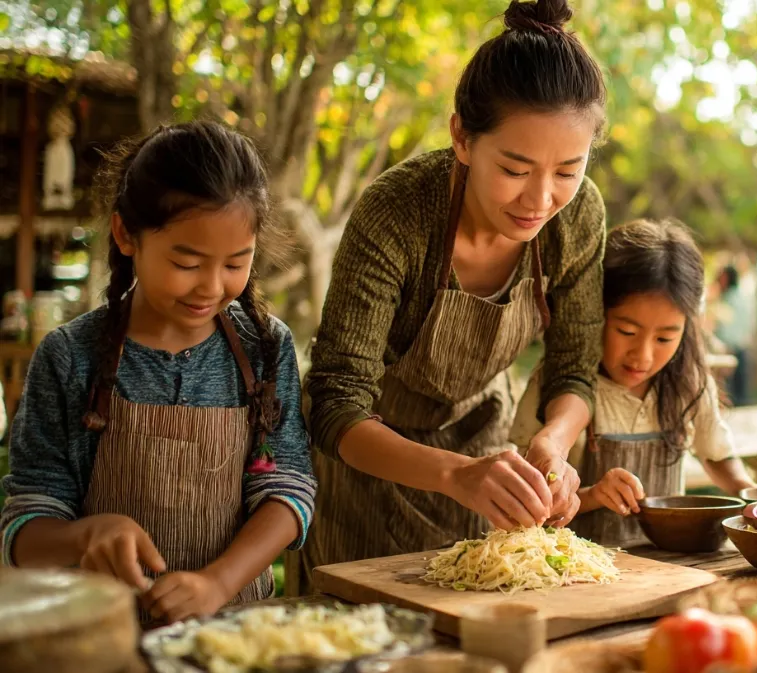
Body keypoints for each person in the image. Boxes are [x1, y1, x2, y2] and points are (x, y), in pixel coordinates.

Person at [298, 0, 607, 591]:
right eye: (515, 169)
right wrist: (455, 475)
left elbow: (575, 368)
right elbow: (336, 401)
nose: (540, 199)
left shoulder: (578, 217)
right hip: (365, 463)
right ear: (462, 137)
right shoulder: (398, 212)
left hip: (481, 444)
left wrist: (553, 443)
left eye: (567, 171)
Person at [0, 121, 316, 625]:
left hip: (234, 634)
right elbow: (25, 529)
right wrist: (85, 535)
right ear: (126, 234)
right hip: (98, 637)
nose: (211, 287)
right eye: (187, 263)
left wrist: (218, 583)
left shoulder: (264, 348)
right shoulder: (70, 357)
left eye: (236, 263)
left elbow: (288, 489)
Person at [509, 219, 757, 547]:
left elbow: (716, 454)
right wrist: (594, 495)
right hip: (578, 562)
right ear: (595, 312)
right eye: (626, 332)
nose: (642, 356)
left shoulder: (689, 382)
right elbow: (531, 501)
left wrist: (752, 494)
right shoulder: (558, 385)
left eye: (665, 338)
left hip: (669, 561)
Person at [713, 260, 757, 406]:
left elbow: (725, 326)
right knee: (740, 390)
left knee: (731, 391)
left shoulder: (729, 299)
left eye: (721, 277)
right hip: (741, 346)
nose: (718, 280)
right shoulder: (743, 297)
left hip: (730, 348)